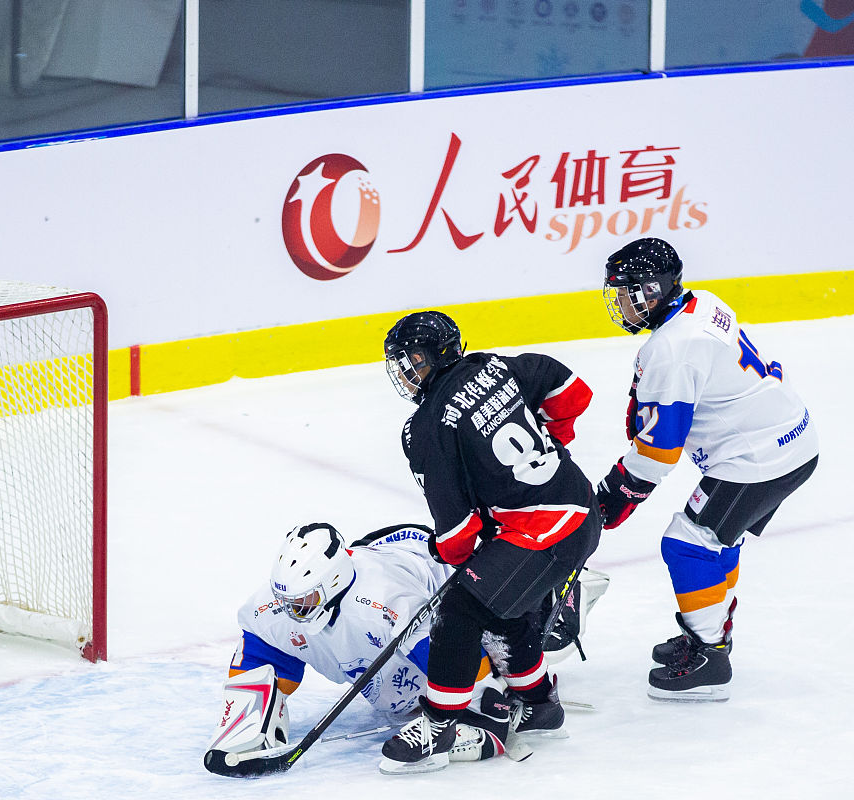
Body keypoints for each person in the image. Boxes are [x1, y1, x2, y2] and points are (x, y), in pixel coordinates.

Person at [594, 237, 819, 701]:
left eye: (622, 293)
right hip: (789, 438)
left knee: (688, 544)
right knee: (719, 536)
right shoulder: (701, 304)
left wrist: (613, 495)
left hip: (758, 461)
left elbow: (658, 454)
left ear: (649, 292)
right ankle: (710, 629)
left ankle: (710, 653)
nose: (617, 303)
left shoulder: (673, 350)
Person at [376, 311, 601, 774]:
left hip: (546, 531)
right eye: (401, 362)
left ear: (439, 354)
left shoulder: (426, 427)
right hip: (578, 504)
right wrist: (552, 447)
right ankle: (538, 703)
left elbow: (458, 534)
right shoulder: (494, 366)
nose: (406, 371)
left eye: (414, 360)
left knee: (462, 607)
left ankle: (439, 725)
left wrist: (451, 551)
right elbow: (572, 391)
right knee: (501, 602)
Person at [204, 521, 608, 764]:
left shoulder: (385, 606)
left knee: (507, 643)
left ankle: (560, 596)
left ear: (329, 586)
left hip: (439, 571)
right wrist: (249, 716)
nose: (291, 611)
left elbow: (466, 666)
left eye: (303, 601)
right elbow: (262, 658)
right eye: (286, 600)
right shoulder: (274, 607)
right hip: (389, 553)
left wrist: (478, 708)